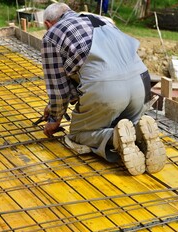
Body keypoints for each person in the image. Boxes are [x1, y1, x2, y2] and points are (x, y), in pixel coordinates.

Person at [40, 2, 166, 175]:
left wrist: (54, 118)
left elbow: (58, 88)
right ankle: (139, 132)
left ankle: (114, 138)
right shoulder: (101, 19)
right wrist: (54, 105)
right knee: (125, 121)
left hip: (107, 90)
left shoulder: (52, 36)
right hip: (141, 83)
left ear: (47, 24)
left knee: (78, 134)